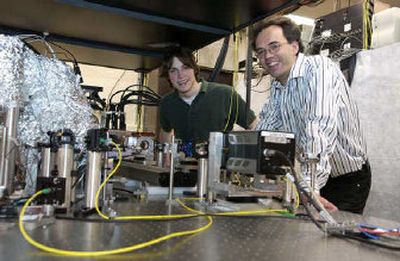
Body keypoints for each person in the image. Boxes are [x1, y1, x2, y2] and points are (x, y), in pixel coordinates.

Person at [252, 16, 371, 214]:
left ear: (295, 46)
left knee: (334, 240)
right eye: (261, 51)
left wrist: (309, 187)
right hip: (314, 177)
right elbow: (267, 129)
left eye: (274, 46)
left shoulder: (318, 68)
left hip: (347, 179)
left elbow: (319, 127)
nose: (267, 56)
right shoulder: (277, 85)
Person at [159, 47, 257, 149]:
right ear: (168, 75)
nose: (180, 76)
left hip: (220, 164)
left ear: (194, 69)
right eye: (173, 71)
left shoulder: (226, 94)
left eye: (185, 67)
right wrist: (166, 159)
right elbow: (165, 132)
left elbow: (254, 125)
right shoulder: (167, 103)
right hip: (183, 164)